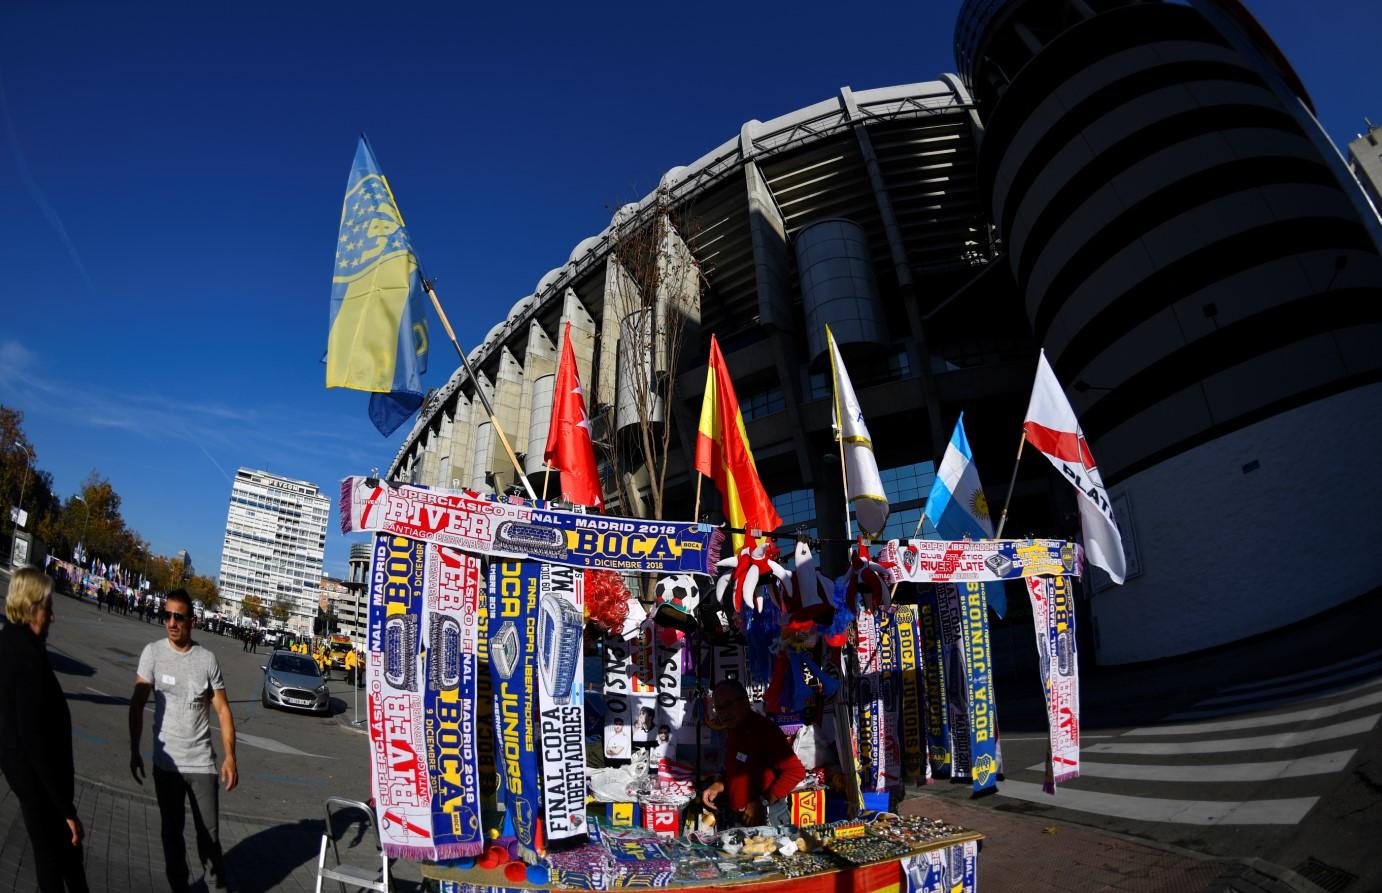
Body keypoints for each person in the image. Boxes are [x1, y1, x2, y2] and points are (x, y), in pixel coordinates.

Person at [129, 589, 238, 892]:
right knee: (171, 834)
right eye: (167, 615)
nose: (172, 622)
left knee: (210, 838)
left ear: (192, 621)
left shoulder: (206, 660)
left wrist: (230, 756)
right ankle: (180, 886)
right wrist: (134, 750)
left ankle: (217, 887)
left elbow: (223, 710)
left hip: (202, 764)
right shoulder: (153, 653)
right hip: (166, 766)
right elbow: (137, 704)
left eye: (179, 616)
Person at [0, 569, 90, 892]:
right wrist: (65, 809)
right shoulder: (25, 655)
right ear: (30, 606)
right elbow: (33, 739)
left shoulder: (12, 640)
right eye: (48, 608)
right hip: (41, 785)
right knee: (58, 862)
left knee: (57, 860)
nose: (53, 617)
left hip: (30, 780)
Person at [700, 679, 805, 827]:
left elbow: (796, 771)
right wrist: (720, 785)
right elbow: (741, 771)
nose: (724, 713)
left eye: (728, 704)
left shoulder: (764, 730)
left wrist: (762, 802)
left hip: (767, 818)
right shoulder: (733, 731)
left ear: (744, 700)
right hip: (742, 818)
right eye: (719, 708)